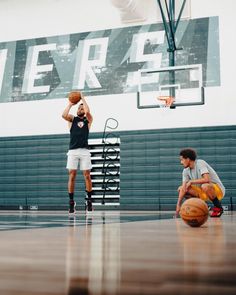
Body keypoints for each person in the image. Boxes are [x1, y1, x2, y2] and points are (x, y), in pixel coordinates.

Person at [62, 92, 93, 214]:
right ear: (76, 110)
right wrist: (70, 104)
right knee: (72, 175)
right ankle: (71, 202)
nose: (81, 109)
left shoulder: (88, 120)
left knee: (87, 175)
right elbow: (63, 115)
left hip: (84, 151)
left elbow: (88, 111)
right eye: (79, 108)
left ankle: (89, 201)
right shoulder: (72, 119)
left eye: (82, 108)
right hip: (73, 151)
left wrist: (83, 98)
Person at [176, 148, 225, 218]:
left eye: (182, 159)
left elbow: (207, 179)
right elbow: (184, 188)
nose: (181, 162)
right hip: (203, 192)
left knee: (205, 185)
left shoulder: (200, 163)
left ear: (188, 159)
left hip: (217, 190)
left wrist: (191, 181)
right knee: (181, 189)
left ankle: (218, 207)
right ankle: (203, 206)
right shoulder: (185, 171)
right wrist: (178, 205)